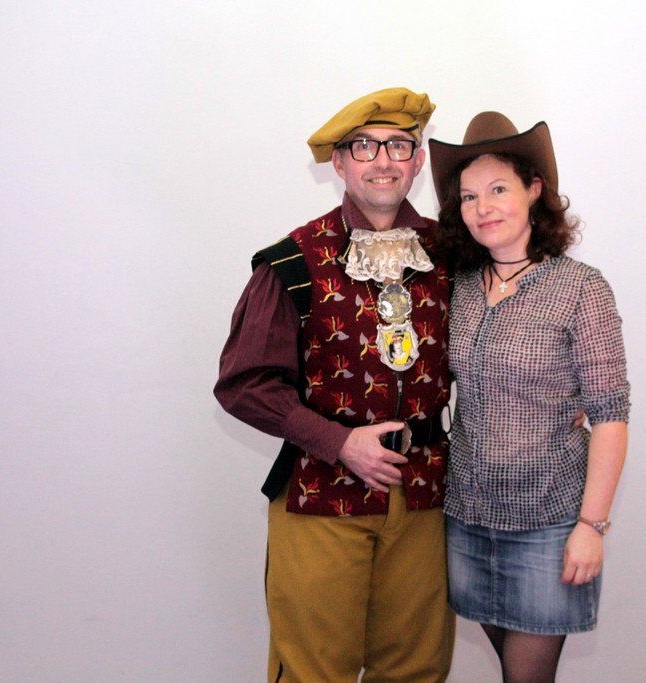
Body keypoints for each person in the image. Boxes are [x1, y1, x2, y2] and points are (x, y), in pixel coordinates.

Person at [213, 88, 455, 682]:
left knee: (416, 670)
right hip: (320, 492)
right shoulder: (292, 260)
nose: (383, 160)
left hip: (426, 497)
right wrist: (340, 443)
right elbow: (244, 383)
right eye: (364, 146)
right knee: (314, 672)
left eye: (399, 145)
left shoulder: (453, 254)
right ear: (340, 163)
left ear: (419, 161)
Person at [429, 112, 631, 683]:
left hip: (550, 522)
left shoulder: (581, 288)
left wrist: (591, 526)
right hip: (467, 517)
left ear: (534, 190)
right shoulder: (459, 287)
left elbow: (611, 415)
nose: (482, 208)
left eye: (498, 189)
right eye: (469, 197)